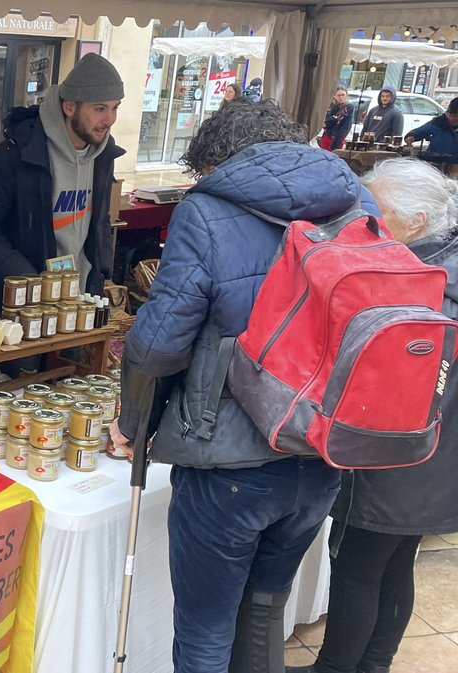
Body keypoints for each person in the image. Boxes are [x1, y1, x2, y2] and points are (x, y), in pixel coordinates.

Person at [109, 101, 379, 673]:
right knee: (262, 613)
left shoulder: (205, 211)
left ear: (217, 160)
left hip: (229, 458)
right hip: (324, 447)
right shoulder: (359, 199)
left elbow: (157, 346)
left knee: (206, 630)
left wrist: (131, 424)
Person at [286, 158, 458, 673]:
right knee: (395, 557)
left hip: (401, 445)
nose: (366, 219)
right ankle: (374, 664)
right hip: (438, 448)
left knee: (360, 564)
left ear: (418, 221)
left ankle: (338, 668)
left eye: (376, 210)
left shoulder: (423, 280)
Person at [0, 52, 125, 313]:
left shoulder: (104, 154)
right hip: (22, 305)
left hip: (79, 302)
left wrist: (102, 267)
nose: (110, 119)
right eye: (100, 108)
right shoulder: (17, 152)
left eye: (115, 108)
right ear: (69, 107)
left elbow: (101, 217)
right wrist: (27, 282)